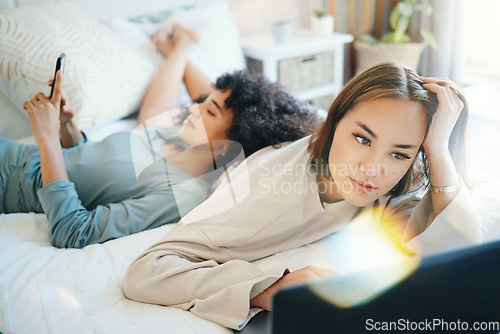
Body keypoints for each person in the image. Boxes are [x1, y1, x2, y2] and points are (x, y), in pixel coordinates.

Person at [123, 63, 483, 330]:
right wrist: (268, 289)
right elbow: (146, 270)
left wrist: (438, 151)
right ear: (335, 122)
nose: (374, 169)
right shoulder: (268, 201)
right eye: (362, 138)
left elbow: (463, 255)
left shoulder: (388, 178)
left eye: (400, 153)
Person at [0, 25, 320, 249]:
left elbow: (74, 232)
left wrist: (45, 141)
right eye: (201, 102)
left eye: (208, 112)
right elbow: (88, 169)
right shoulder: (172, 134)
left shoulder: (181, 195)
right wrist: (65, 129)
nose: (192, 110)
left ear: (231, 146)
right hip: (13, 153)